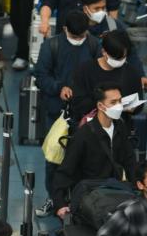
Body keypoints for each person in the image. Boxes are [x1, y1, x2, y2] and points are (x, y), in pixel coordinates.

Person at [32, 11, 101, 216]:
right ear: (64, 30)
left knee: (85, 158)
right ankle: (54, 198)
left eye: (82, 36)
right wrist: (58, 88)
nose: (79, 40)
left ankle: (80, 199)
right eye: (75, 36)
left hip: (87, 114)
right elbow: (40, 76)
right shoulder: (51, 46)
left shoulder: (94, 45)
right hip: (57, 114)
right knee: (54, 158)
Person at [53, 84, 140, 219]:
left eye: (120, 101)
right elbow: (66, 170)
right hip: (91, 195)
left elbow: (129, 160)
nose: (119, 106)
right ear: (100, 106)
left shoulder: (120, 127)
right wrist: (60, 204)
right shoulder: (83, 135)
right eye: (113, 102)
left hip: (115, 190)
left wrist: (138, 186)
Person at [79, 0, 147, 89]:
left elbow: (130, 53)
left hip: (111, 81)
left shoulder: (113, 25)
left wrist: (141, 75)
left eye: (103, 7)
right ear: (85, 9)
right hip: (85, 82)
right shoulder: (77, 28)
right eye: (96, 8)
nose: (101, 11)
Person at [69, 30, 144, 124]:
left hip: (121, 130)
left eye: (123, 57)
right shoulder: (85, 70)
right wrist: (107, 105)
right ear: (104, 52)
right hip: (90, 129)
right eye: (116, 58)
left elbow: (138, 104)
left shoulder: (131, 73)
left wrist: (133, 108)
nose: (120, 61)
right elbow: (77, 104)